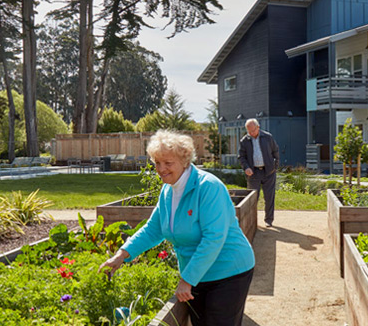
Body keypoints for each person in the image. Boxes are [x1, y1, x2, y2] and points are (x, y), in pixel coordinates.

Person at [100, 130, 255, 326]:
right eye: (157, 163)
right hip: (198, 274)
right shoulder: (168, 190)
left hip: (228, 271)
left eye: (168, 163)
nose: (161, 168)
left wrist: (188, 280)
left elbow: (213, 239)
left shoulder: (208, 187)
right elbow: (153, 229)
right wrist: (122, 255)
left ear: (185, 161)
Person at [237, 118, 280, 227]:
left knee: (269, 197)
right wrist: (246, 168)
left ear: (258, 127)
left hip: (268, 171)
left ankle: (269, 220)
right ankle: (251, 222)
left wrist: (274, 166)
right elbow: (241, 157)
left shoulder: (268, 137)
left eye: (253, 130)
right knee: (252, 198)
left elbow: (275, 151)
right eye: (248, 131)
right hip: (253, 173)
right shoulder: (244, 141)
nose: (251, 133)